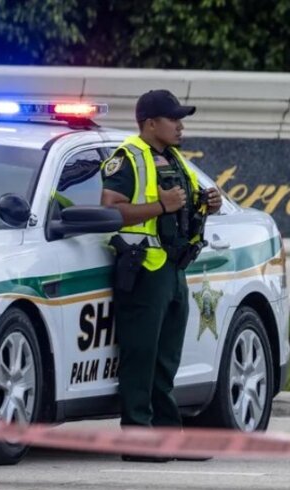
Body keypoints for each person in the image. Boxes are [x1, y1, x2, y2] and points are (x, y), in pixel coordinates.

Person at [101, 89, 223, 462]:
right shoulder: (127, 158)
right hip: (143, 271)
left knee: (167, 359)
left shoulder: (172, 158)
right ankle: (138, 439)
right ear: (150, 123)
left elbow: (184, 205)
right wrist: (159, 206)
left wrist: (209, 202)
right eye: (174, 119)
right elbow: (110, 210)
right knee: (141, 356)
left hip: (173, 268)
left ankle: (169, 438)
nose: (180, 126)